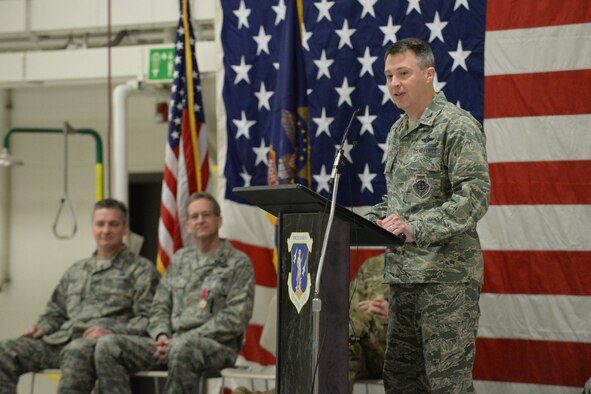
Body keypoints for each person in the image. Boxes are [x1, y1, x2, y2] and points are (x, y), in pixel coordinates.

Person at [365, 37, 490, 393]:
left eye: (403, 73)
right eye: (389, 75)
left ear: (429, 74)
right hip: (403, 280)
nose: (394, 84)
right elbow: (398, 204)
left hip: (445, 281)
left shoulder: (457, 126)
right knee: (402, 383)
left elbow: (475, 196)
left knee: (446, 386)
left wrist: (415, 227)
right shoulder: (398, 132)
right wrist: (365, 219)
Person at [95, 191, 255, 394]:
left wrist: (182, 339)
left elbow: (235, 318)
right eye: (194, 217)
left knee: (183, 348)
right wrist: (161, 334)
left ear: (219, 220)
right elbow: (159, 306)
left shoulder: (238, 262)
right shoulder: (179, 259)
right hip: (170, 342)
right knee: (108, 346)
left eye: (206, 215)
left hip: (217, 346)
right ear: (187, 225)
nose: (200, 220)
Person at [0, 198, 160, 394]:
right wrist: (40, 328)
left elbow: (148, 319)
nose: (106, 230)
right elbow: (55, 313)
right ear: (92, 227)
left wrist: (112, 331)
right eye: (100, 224)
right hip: (61, 342)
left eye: (113, 224)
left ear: (125, 229)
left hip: (97, 347)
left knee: (76, 351)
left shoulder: (141, 270)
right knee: (5, 350)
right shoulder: (77, 270)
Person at [232, 253, 389, 394]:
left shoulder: (412, 268)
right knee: (337, 354)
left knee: (332, 340)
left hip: (393, 349)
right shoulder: (371, 265)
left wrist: (393, 314)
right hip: (360, 343)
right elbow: (349, 308)